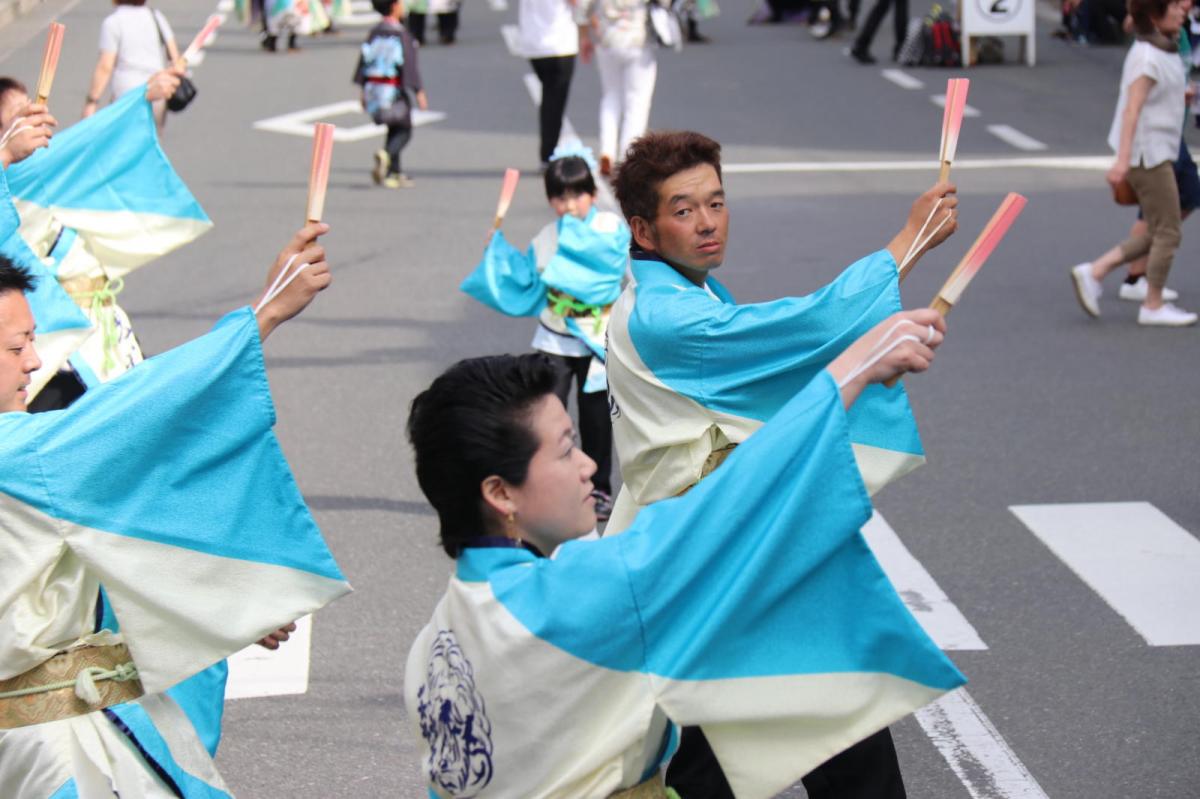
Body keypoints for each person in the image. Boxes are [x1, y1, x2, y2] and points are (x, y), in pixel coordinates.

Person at [404, 322, 962, 797]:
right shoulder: (579, 594)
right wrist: (855, 368)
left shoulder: (431, 647)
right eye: (566, 448)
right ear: (500, 493)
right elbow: (733, 503)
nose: (590, 468)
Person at [604, 130, 958, 797]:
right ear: (642, 230)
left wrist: (872, 348)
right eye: (684, 210)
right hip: (722, 556)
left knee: (726, 753)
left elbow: (776, 367)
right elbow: (796, 333)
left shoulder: (674, 294)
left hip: (712, 555)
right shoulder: (666, 316)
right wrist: (904, 244)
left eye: (716, 201)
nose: (707, 222)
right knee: (834, 742)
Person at [0, 223, 349, 797]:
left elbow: (58, 577)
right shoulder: (26, 457)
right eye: (17, 347)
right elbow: (142, 413)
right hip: (53, 747)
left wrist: (221, 598)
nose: (36, 361)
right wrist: (261, 316)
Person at [461, 152, 628, 519]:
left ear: (591, 194)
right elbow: (526, 278)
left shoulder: (611, 231)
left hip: (597, 339)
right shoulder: (547, 237)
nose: (568, 205)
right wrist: (498, 252)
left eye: (575, 195)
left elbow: (609, 268)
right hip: (555, 336)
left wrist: (569, 258)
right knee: (545, 416)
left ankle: (598, 489)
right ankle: (540, 488)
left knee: (596, 420)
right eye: (559, 197)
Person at [1071, 0, 1198, 326]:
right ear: (1155, 15)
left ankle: (1096, 270)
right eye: (1173, 6)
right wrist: (1122, 161)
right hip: (1148, 155)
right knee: (1168, 231)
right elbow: (1132, 109)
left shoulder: (1160, 47)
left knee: (1160, 229)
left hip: (1158, 150)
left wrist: (1177, 96)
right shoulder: (1146, 56)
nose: (1182, 10)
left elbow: (1153, 96)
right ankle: (1152, 304)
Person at [577, 0, 660, 178]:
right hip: (638, 41)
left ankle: (607, 150)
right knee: (637, 102)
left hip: (607, 41)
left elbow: (582, 7)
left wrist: (584, 36)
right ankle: (627, 154)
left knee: (610, 97)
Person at [355, 0, 429, 189]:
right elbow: (409, 66)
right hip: (394, 89)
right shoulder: (401, 34)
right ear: (394, 6)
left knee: (394, 128)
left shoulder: (375, 32)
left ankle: (393, 173)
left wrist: (363, 91)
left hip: (375, 88)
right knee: (405, 130)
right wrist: (418, 91)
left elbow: (364, 62)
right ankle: (386, 154)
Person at [85, 0, 178, 128]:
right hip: (157, 90)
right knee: (151, 141)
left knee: (122, 142)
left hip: (126, 93)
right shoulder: (156, 16)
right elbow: (174, 57)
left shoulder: (113, 22)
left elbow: (105, 66)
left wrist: (92, 102)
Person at [519, 0, 580, 168]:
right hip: (559, 44)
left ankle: (548, 152)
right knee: (554, 100)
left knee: (550, 97)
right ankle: (548, 154)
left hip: (533, 43)